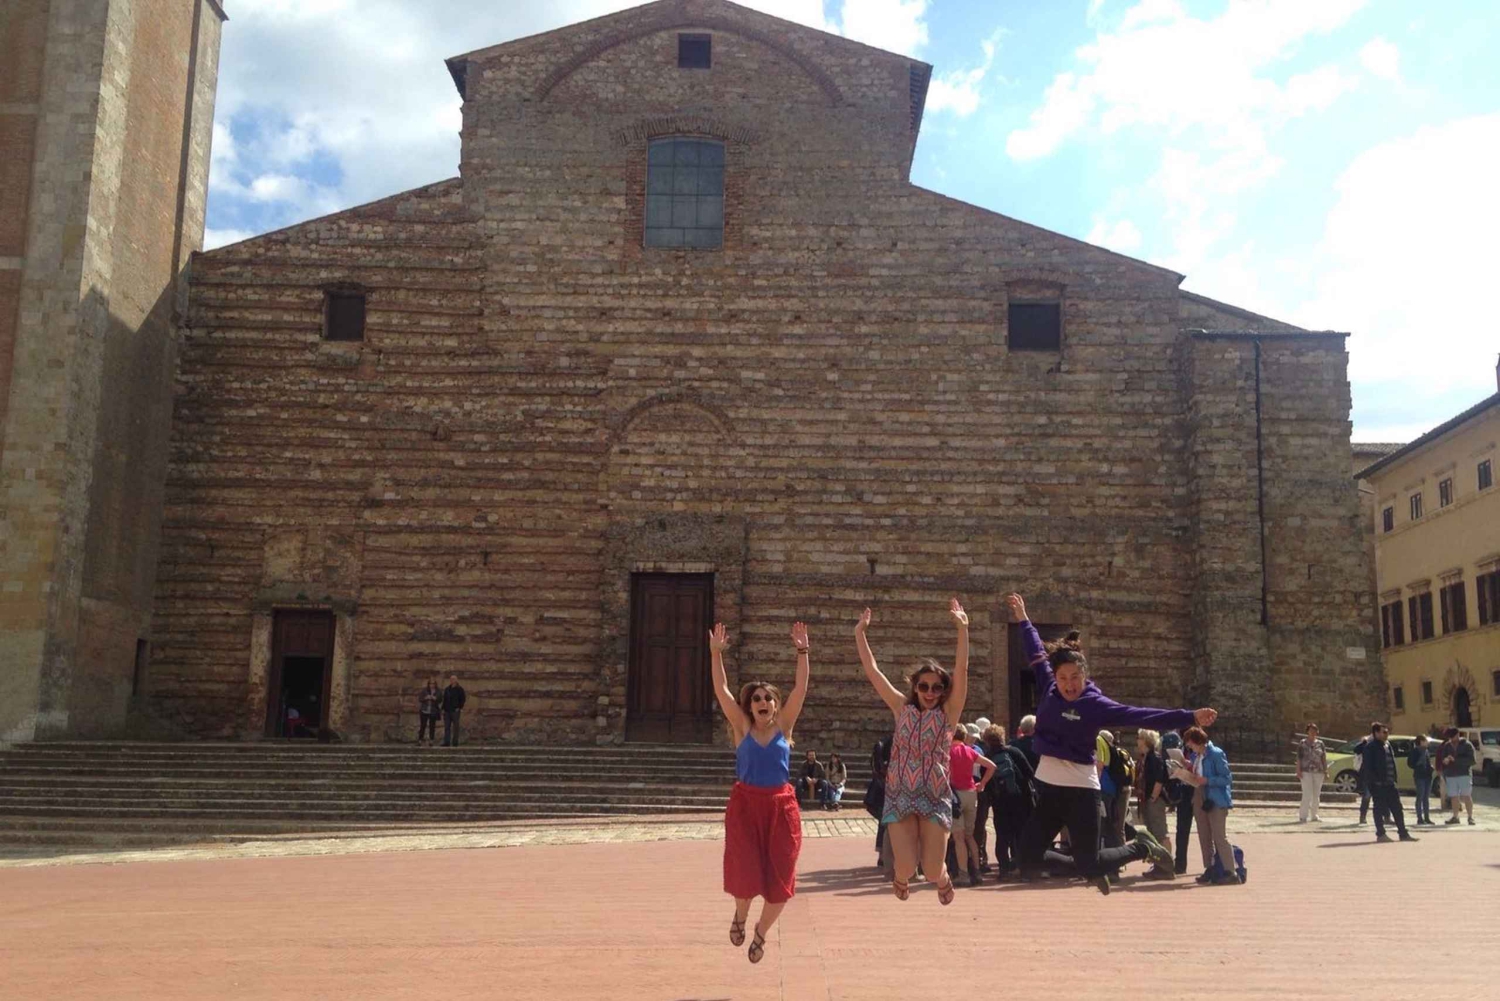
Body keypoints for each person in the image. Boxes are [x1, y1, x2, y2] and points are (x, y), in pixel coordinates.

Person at [1007, 593, 1210, 894]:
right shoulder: (1048, 686)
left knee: (1090, 863)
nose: (1069, 684)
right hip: (1049, 787)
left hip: (1081, 789)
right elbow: (1035, 650)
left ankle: (1141, 847)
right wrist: (1024, 620)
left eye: (1075, 677)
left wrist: (1189, 716)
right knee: (1026, 858)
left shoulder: (1095, 704)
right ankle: (1094, 869)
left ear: (1085, 675)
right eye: (1063, 678)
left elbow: (1141, 714)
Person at [855, 597, 970, 905]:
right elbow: (873, 671)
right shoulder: (900, 707)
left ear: (943, 690)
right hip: (900, 792)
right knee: (905, 866)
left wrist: (963, 629)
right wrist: (859, 633)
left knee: (931, 870)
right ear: (915, 687)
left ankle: (942, 877)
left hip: (934, 793)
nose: (930, 692)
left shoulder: (949, 713)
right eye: (924, 686)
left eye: (937, 687)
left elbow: (962, 669)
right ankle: (901, 875)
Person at [710, 619, 810, 964]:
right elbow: (722, 690)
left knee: (781, 878)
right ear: (750, 706)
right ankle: (740, 915)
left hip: (781, 807)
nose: (763, 702)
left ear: (775, 705)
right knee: (744, 870)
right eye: (757, 699)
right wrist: (716, 654)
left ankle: (761, 933)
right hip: (746, 806)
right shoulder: (742, 727)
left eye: (768, 698)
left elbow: (800, 689)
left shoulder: (784, 726)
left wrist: (802, 651)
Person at [1175, 726, 1239, 883]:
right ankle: (1209, 868)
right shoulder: (1196, 756)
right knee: (1204, 835)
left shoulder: (1216, 753)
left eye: (1190, 743)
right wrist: (1186, 768)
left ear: (1197, 741)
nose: (1189, 747)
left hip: (1215, 798)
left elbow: (1227, 778)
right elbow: (1197, 773)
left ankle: (1231, 871)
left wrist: (1207, 780)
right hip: (1199, 796)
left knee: (1219, 835)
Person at [981, 723, 1035, 878]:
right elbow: (1029, 773)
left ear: (987, 740)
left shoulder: (987, 758)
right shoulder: (1014, 752)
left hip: (999, 801)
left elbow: (986, 781)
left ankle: (1003, 870)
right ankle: (1022, 868)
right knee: (1020, 834)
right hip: (1019, 799)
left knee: (1002, 836)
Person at [950, 725, 997, 886]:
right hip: (971, 793)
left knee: (958, 837)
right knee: (969, 836)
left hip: (955, 795)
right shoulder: (970, 751)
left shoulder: (948, 751)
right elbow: (991, 766)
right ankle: (977, 871)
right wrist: (982, 783)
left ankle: (963, 873)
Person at [1362, 723, 1417, 843]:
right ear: (1376, 733)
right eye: (1384, 732)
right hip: (1378, 784)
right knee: (1378, 808)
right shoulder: (1370, 747)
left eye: (1387, 732)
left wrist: (1394, 779)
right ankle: (1381, 834)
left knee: (1397, 808)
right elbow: (1368, 767)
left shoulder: (1387, 745)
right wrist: (1375, 781)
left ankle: (1403, 833)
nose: (1386, 734)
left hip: (1390, 783)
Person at [1135, 729, 1172, 879]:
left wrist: (1153, 797)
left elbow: (1159, 779)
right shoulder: (1144, 757)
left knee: (1160, 832)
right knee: (1153, 834)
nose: (1137, 740)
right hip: (1147, 800)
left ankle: (1167, 867)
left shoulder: (1155, 758)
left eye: (1139, 737)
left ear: (1146, 740)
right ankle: (1158, 865)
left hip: (1154, 800)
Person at [1162, 730, 1195, 874]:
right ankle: (1180, 864)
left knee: (1207, 830)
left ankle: (1213, 861)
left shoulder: (1196, 753)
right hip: (1184, 793)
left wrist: (1186, 765)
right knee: (1182, 830)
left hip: (1196, 793)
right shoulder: (1176, 752)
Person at [1439, 728, 1476, 825]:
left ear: (1457, 735)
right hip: (1451, 774)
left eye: (1452, 736)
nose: (1451, 739)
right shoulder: (1447, 746)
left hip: (1464, 774)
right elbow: (1443, 758)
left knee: (1467, 795)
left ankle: (1470, 817)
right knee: (1454, 796)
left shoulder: (1467, 745)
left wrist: (1455, 759)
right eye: (1449, 737)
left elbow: (1472, 760)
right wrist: (1445, 761)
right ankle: (1455, 817)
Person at [1296, 722, 1327, 822]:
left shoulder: (1320, 743)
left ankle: (1314, 815)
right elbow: (1299, 757)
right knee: (1307, 793)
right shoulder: (1302, 743)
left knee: (1316, 794)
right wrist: (1298, 770)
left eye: (1315, 730)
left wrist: (1325, 770)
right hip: (1306, 771)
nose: (1313, 732)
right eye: (1311, 730)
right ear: (1307, 732)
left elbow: (1323, 757)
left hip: (1318, 771)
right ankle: (1303, 815)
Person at [1407, 733, 1434, 825]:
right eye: (1425, 741)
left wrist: (1430, 768)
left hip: (1427, 776)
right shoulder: (1415, 751)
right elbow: (1410, 763)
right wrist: (1417, 764)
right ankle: (1420, 818)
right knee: (1420, 796)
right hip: (1419, 776)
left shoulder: (1426, 751)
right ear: (1421, 742)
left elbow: (1427, 762)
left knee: (1426, 798)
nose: (1427, 742)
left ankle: (1427, 817)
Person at [440, 674, 466, 747]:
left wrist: (459, 707)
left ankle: (455, 742)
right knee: (447, 727)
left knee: (455, 727)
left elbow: (463, 699)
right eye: (451, 679)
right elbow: (444, 700)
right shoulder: (447, 689)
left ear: (456, 680)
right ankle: (447, 741)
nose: (452, 680)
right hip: (447, 710)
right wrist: (443, 709)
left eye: (454, 679)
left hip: (455, 710)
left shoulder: (460, 689)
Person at [415, 676, 441, 747]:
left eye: (433, 683)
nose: (432, 685)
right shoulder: (424, 690)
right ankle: (420, 740)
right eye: (430, 683)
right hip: (424, 710)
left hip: (433, 711)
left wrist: (435, 698)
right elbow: (420, 698)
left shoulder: (438, 691)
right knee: (422, 726)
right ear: (428, 684)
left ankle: (431, 740)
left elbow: (440, 699)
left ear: (435, 684)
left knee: (432, 726)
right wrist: (425, 698)